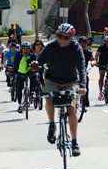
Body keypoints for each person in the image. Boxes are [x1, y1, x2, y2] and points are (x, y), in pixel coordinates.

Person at [30, 23, 86, 156]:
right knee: (49, 100)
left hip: (71, 80)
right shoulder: (51, 46)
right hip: (53, 79)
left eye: (66, 37)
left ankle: (74, 142)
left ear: (72, 38)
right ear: (57, 36)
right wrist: (35, 66)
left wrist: (83, 86)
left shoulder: (76, 48)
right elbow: (40, 62)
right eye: (60, 36)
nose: (62, 39)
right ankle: (51, 125)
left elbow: (81, 67)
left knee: (71, 108)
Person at [14, 42, 38, 113]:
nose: (26, 51)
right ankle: (20, 104)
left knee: (34, 78)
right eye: (24, 49)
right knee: (19, 88)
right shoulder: (18, 54)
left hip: (29, 71)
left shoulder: (33, 54)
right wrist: (15, 73)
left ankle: (32, 92)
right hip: (20, 72)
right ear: (21, 49)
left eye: (28, 49)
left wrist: (36, 70)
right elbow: (16, 64)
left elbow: (36, 62)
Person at [79, 37, 96, 108]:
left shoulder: (88, 53)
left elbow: (93, 60)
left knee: (86, 85)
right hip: (73, 72)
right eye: (81, 43)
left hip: (83, 72)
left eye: (84, 43)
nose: (83, 45)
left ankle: (85, 102)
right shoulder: (75, 51)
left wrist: (93, 62)